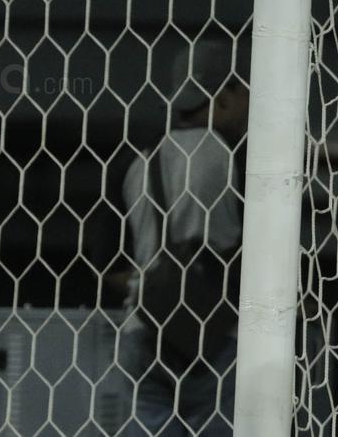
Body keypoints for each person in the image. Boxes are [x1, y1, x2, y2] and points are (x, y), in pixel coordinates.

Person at [118, 38, 248, 436]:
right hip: (218, 336)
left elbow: (111, 266)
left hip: (145, 329)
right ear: (223, 97)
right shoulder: (236, 157)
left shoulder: (138, 162)